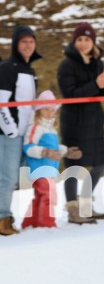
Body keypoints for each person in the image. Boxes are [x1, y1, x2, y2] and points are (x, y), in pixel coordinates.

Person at [57, 22, 104, 224]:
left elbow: (101, 94)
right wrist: (96, 84)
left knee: (100, 163)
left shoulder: (97, 63)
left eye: (87, 39)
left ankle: (85, 204)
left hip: (94, 121)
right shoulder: (66, 65)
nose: (83, 43)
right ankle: (73, 210)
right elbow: (70, 94)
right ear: (74, 42)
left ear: (93, 42)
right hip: (74, 121)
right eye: (79, 40)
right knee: (74, 166)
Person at [22, 91, 82, 229]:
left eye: (52, 110)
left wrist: (66, 151)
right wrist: (45, 152)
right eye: (46, 109)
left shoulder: (51, 128)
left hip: (50, 168)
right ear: (38, 110)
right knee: (49, 196)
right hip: (39, 167)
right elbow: (28, 146)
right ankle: (46, 224)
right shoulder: (35, 127)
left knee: (40, 196)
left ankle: (30, 223)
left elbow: (54, 147)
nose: (49, 113)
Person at [0, 26, 39, 236]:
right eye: (23, 41)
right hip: (9, 135)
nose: (28, 45)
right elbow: (1, 102)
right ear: (16, 44)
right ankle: (2, 219)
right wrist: (11, 131)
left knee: (12, 178)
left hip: (25, 134)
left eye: (31, 41)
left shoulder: (29, 70)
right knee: (6, 178)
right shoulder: (7, 67)